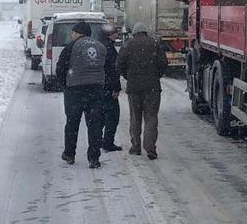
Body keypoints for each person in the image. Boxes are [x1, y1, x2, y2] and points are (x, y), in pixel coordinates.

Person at [55, 21, 107, 168]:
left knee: (72, 123)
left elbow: (61, 67)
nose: (71, 35)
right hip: (96, 90)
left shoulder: (71, 46)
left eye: (73, 32)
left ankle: (69, 154)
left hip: (75, 91)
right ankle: (94, 158)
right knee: (94, 124)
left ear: (78, 33)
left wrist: (64, 84)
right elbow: (109, 68)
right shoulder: (101, 47)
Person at [116, 22, 167, 160]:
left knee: (135, 118)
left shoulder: (127, 45)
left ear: (134, 33)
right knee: (151, 118)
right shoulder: (155, 44)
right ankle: (150, 148)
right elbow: (163, 64)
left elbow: (119, 65)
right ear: (145, 32)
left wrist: (128, 76)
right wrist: (156, 75)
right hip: (152, 88)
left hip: (134, 88)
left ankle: (136, 147)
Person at [98, 25, 122, 152]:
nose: (117, 36)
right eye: (115, 34)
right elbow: (113, 70)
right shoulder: (109, 49)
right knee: (112, 116)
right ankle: (108, 142)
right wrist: (116, 88)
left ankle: (97, 140)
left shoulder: (99, 46)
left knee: (100, 116)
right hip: (108, 87)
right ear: (108, 35)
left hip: (99, 86)